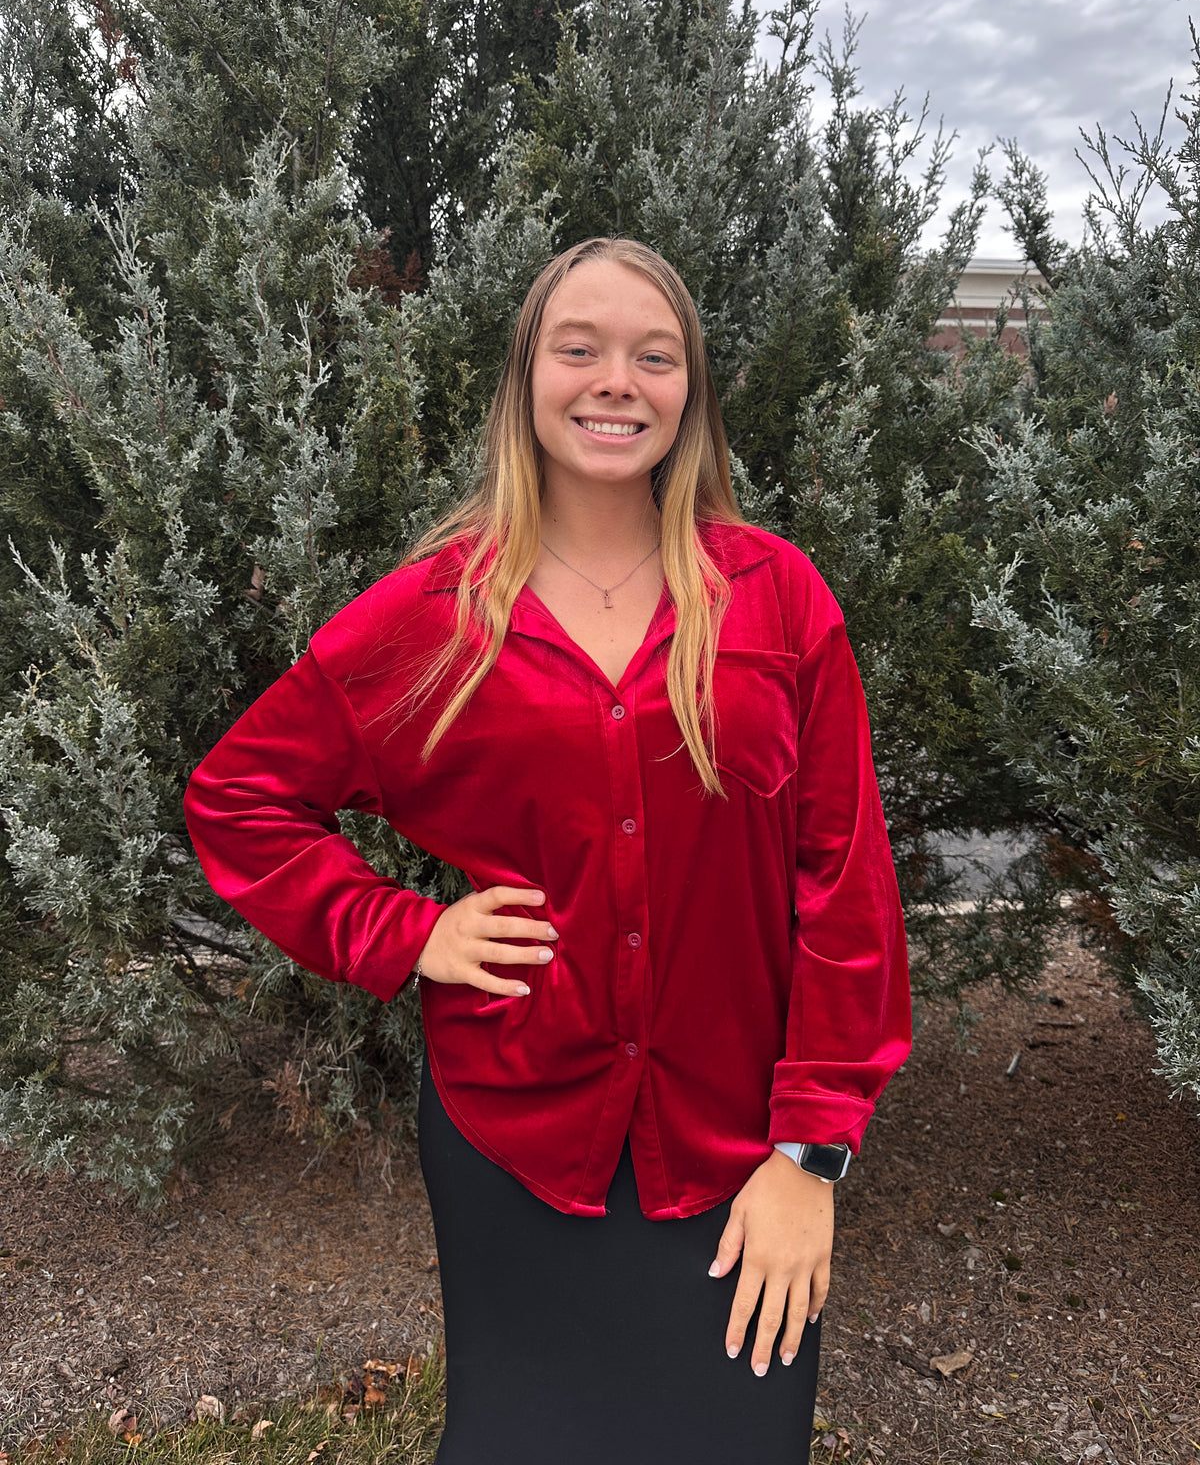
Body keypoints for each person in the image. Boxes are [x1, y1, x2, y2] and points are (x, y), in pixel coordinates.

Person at [183, 236, 911, 1465]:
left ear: (691, 390)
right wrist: (408, 931)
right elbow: (240, 797)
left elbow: (847, 889)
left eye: (653, 356)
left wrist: (811, 1152)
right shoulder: (437, 614)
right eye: (580, 349)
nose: (616, 380)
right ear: (528, 375)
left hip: (745, 1156)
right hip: (511, 1133)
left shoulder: (777, 598)